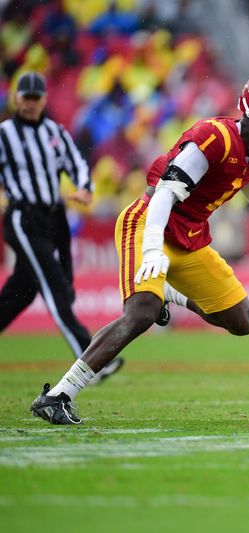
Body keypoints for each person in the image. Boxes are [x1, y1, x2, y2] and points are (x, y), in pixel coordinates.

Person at [30, 70, 249, 425]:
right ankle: (59, 394)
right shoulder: (216, 137)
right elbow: (165, 193)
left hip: (189, 236)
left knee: (241, 320)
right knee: (142, 312)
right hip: (148, 223)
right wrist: (152, 248)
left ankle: (171, 294)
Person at [0, 72, 124, 382]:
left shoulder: (54, 132)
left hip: (51, 218)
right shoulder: (4, 135)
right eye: (25, 97)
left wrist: (84, 187)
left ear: (43, 100)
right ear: (16, 99)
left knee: (23, 291)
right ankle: (93, 363)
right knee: (55, 287)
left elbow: (78, 163)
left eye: (35, 98)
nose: (29, 104)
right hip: (23, 217)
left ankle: (91, 357)